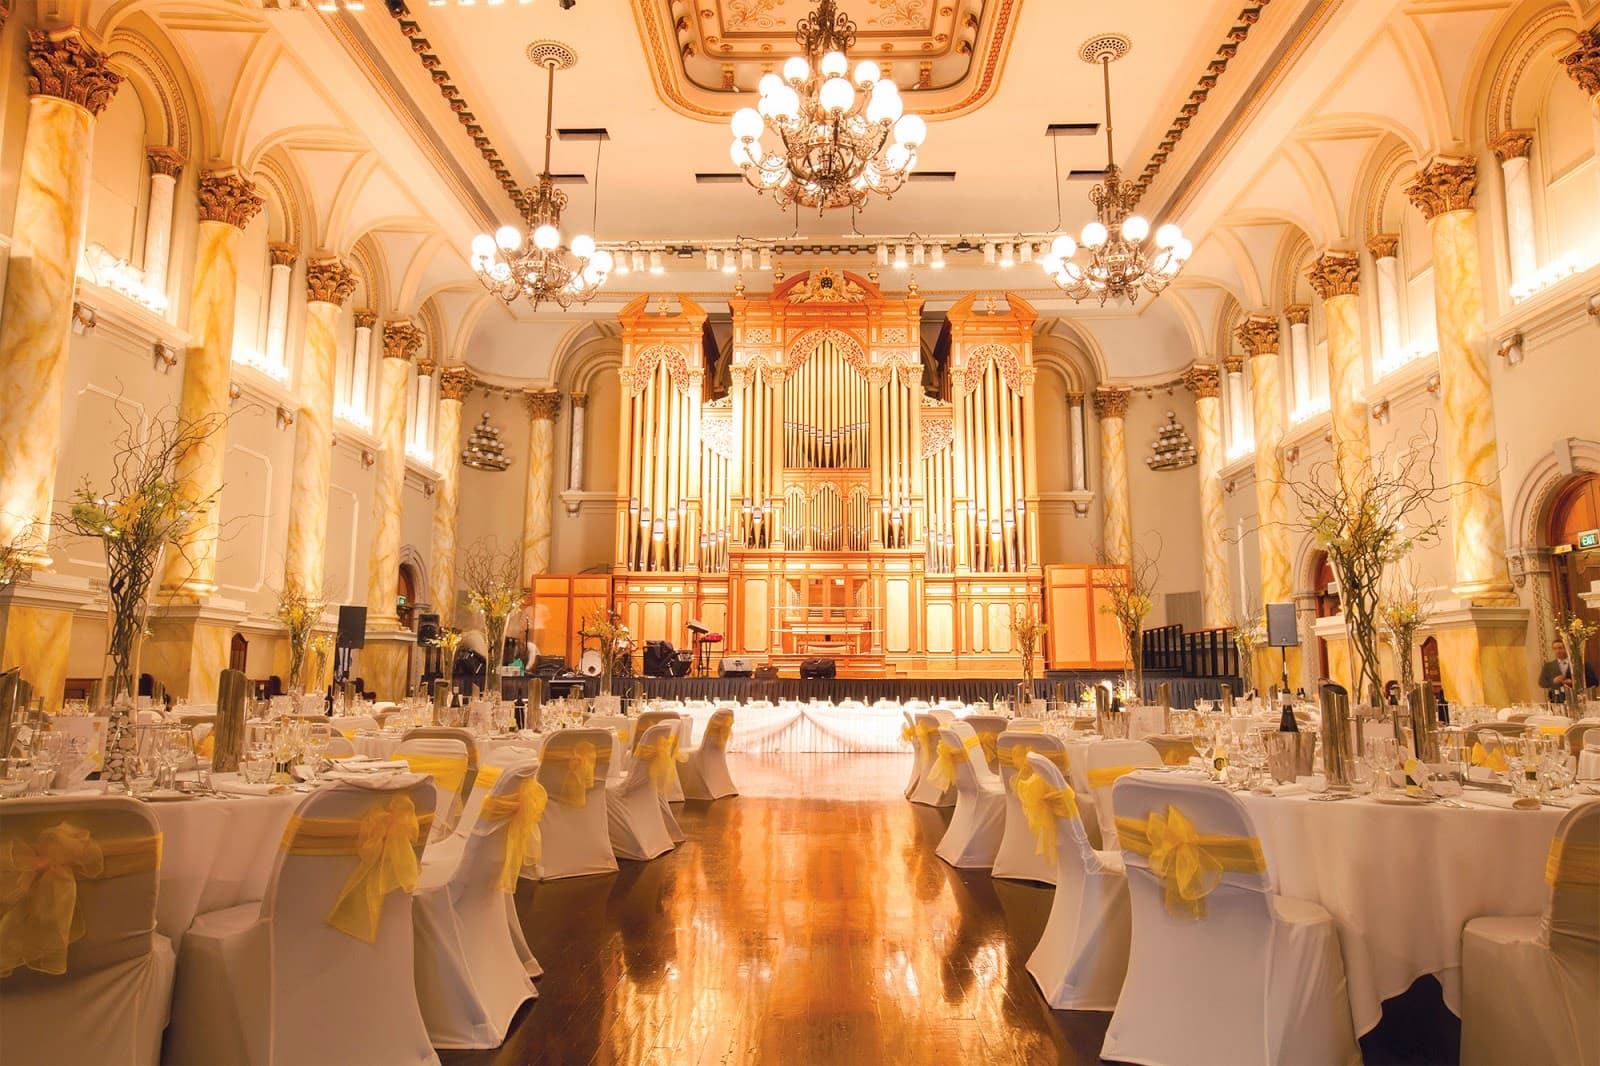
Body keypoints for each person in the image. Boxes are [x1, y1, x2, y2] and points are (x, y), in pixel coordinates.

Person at [1538, 638, 1596, 703]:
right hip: (1557, 700)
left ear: (1567, 648)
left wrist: (1574, 682)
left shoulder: (1580, 664)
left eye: (1560, 648)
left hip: (1578, 700)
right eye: (1555, 649)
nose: (1558, 651)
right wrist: (1553, 681)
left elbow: (1594, 682)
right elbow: (1541, 683)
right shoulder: (1548, 666)